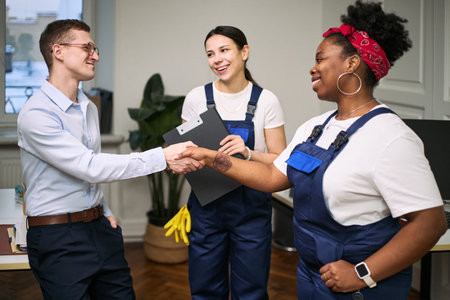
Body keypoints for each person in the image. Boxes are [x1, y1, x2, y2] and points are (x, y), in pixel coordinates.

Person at [180, 2, 447, 299]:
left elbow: (430, 223)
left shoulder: (391, 136)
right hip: (311, 274)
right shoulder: (314, 127)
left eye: (320, 58)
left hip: (358, 285)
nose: (312, 67)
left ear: (352, 63)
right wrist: (209, 157)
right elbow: (272, 174)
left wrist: (363, 273)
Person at [17, 19, 201, 299]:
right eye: (87, 47)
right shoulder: (36, 114)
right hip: (58, 239)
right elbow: (89, 166)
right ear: (58, 51)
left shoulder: (88, 107)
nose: (96, 55)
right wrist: (162, 157)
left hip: (100, 230)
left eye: (96, 48)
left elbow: (88, 168)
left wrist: (105, 212)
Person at [181, 25, 286, 299]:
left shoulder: (266, 101)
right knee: (205, 289)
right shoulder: (196, 98)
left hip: (251, 208)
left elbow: (279, 159)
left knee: (250, 291)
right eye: (210, 54)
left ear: (244, 52)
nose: (217, 59)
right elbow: (185, 151)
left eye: (224, 50)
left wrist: (248, 152)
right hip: (206, 207)